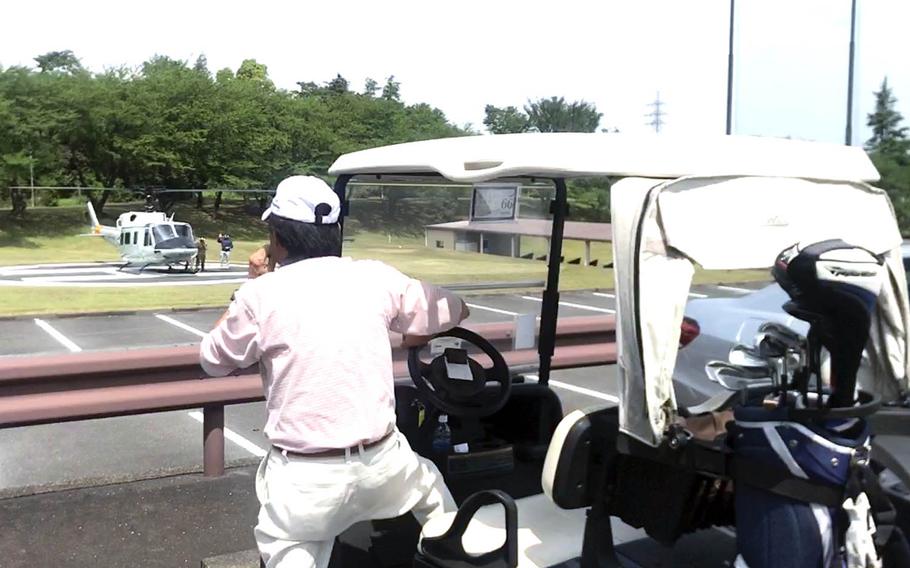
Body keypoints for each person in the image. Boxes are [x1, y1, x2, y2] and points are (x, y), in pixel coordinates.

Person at [199, 175, 467, 568]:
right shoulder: (375, 277)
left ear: (278, 238)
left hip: (306, 478)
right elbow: (455, 308)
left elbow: (213, 359)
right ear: (334, 231)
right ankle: (459, 554)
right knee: (430, 488)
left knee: (290, 551)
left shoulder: (261, 295)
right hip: (382, 462)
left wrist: (247, 285)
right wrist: (409, 333)